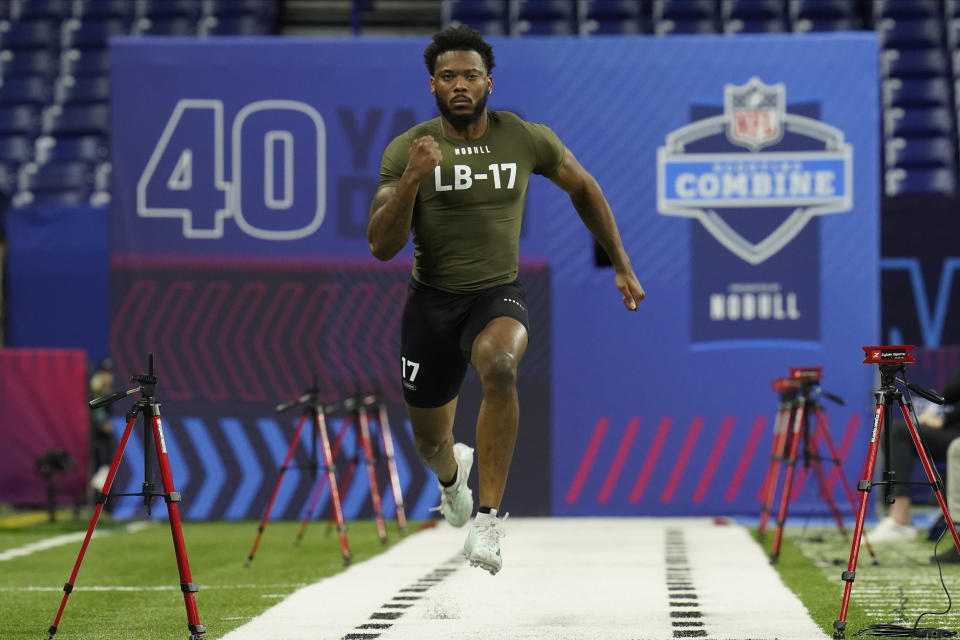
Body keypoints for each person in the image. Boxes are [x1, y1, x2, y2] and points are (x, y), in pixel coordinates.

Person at [367, 25, 644, 575]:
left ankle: (488, 522)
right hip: (431, 303)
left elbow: (584, 187)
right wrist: (412, 182)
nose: (461, 85)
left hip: (496, 293)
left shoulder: (523, 136)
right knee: (430, 442)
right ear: (433, 87)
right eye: (449, 77)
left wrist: (621, 263)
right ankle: (453, 479)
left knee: (500, 366)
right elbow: (380, 245)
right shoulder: (410, 149)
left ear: (489, 82)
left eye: (471, 75)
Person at [865, 365, 960, 546]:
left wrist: (945, 420)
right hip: (953, 433)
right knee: (898, 431)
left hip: (955, 435)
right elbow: (948, 395)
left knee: (899, 432)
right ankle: (899, 521)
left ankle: (900, 521)